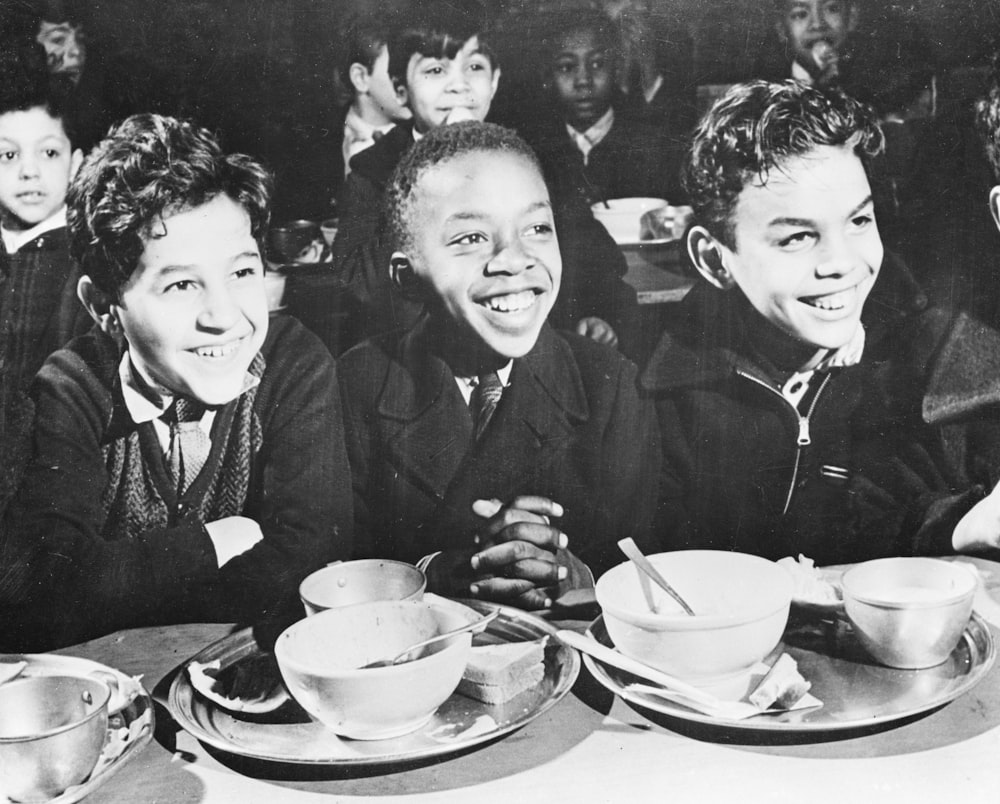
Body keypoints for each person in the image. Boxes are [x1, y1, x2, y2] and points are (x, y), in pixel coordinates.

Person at [0, 114, 353, 651]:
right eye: (182, 284)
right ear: (103, 307)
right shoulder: (72, 387)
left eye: (242, 272)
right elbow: (40, 592)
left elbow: (309, 566)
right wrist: (213, 543)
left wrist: (118, 583)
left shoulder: (292, 363)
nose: (224, 315)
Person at [641, 80, 995, 565]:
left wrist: (958, 522)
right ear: (714, 259)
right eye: (797, 238)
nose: (841, 263)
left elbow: (887, 520)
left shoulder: (923, 364)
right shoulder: (651, 399)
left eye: (859, 222)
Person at [339, 121, 659, 611]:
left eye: (537, 228)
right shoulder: (355, 385)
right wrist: (446, 570)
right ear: (406, 279)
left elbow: (644, 565)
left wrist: (575, 575)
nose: (513, 259)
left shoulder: (608, 385)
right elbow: (338, 572)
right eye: (470, 237)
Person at [332, 0, 639, 357]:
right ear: (401, 90)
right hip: (423, 360)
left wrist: (598, 314)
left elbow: (598, 259)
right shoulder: (373, 170)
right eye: (435, 71)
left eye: (474, 67)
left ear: (493, 82)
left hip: (527, 352)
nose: (458, 86)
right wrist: (432, 164)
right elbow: (360, 285)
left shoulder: (531, 162)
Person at [522, 8, 685, 205]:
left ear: (616, 69)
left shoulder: (647, 144)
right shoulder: (534, 152)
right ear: (547, 76)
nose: (583, 80)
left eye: (597, 63)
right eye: (567, 67)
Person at [0, 43, 89, 397]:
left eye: (49, 152)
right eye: (8, 154)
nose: (29, 172)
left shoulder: (87, 262)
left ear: (76, 165)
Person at [336, 12, 412, 182]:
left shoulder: (421, 136)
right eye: (397, 69)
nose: (411, 81)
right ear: (360, 77)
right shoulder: (312, 142)